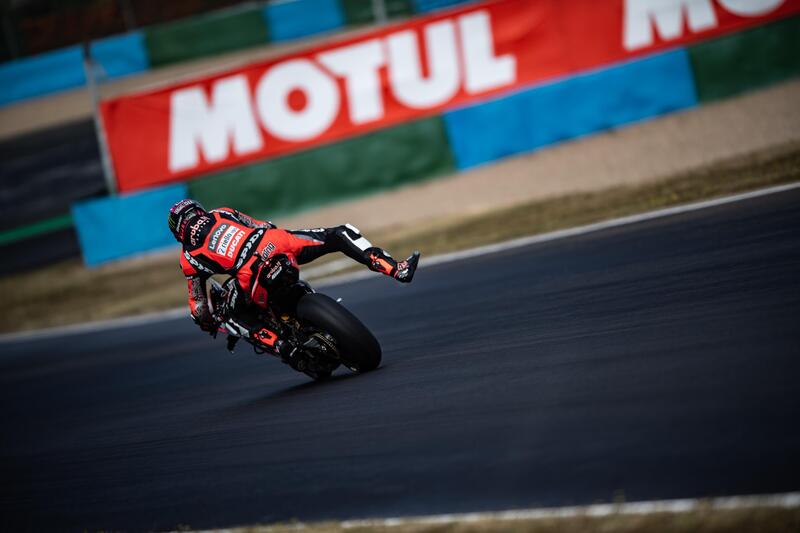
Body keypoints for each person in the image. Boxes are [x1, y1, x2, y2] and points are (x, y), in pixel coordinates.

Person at [167, 199, 419, 355]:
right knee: (340, 233)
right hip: (277, 243)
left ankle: (279, 345)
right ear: (199, 211)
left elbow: (199, 306)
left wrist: (209, 321)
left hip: (250, 273)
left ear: (178, 233)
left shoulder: (188, 258)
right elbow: (264, 225)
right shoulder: (221, 212)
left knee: (235, 315)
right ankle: (396, 268)